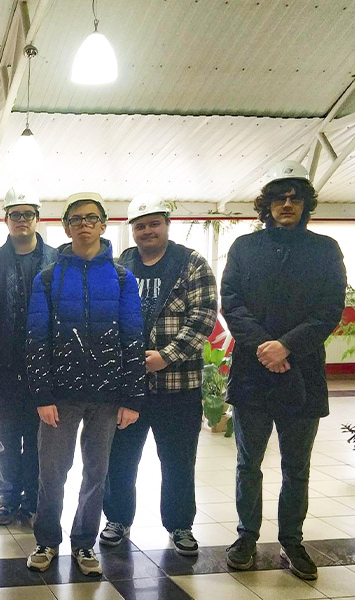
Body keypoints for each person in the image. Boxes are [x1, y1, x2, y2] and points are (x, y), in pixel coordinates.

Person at [222, 161, 345, 581]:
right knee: (248, 464)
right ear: (267, 204)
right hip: (252, 371)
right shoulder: (244, 248)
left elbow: (330, 308)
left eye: (295, 197)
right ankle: (246, 538)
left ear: (306, 203)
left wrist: (287, 346)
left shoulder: (325, 249)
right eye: (279, 197)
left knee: (297, 467)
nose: (287, 204)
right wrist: (265, 347)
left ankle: (292, 541)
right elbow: (231, 302)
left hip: (302, 372)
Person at [25, 193, 146, 576]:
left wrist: (132, 397)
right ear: (66, 227)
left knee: (96, 473)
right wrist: (42, 394)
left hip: (107, 397)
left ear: (103, 225)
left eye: (91, 218)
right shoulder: (48, 278)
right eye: (76, 219)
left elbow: (133, 338)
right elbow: (36, 338)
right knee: (52, 473)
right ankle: (47, 540)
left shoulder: (123, 278)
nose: (84, 225)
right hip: (60, 396)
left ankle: (83, 544)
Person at [101, 194, 218, 556]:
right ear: (132, 230)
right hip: (128, 389)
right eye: (140, 226)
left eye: (154, 223)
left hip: (178, 386)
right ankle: (117, 519)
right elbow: (105, 318)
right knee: (120, 460)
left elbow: (203, 317)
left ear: (167, 224)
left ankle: (180, 525)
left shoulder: (191, 263)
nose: (147, 230)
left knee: (178, 461)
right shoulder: (120, 266)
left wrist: (166, 357)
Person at [0, 188, 57, 526]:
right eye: (16, 214)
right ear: (6, 219)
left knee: (40, 442)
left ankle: (32, 501)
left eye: (28, 214)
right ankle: (8, 500)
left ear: (37, 218)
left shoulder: (57, 260)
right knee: (7, 442)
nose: (22, 220)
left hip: (46, 370)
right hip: (4, 370)